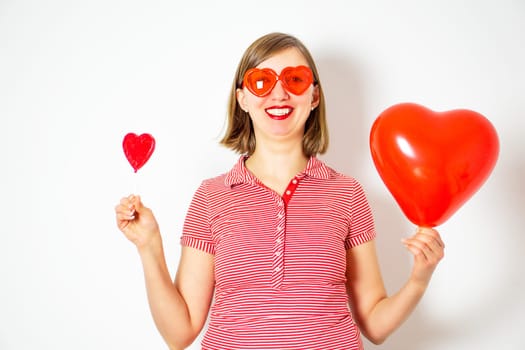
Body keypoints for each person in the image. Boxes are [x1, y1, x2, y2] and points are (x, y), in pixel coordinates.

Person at [115, 32, 445, 350]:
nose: (278, 95)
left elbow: (374, 325)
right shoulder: (211, 195)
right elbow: (180, 334)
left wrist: (419, 279)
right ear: (242, 97)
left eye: (295, 80)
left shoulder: (347, 194)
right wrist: (149, 246)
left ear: (314, 96)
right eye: (262, 82)